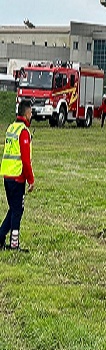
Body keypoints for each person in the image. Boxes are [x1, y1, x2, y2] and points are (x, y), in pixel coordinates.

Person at [0, 101, 35, 251]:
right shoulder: (23, 131)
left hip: (7, 174)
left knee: (14, 209)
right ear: (26, 113)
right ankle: (14, 244)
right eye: (31, 112)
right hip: (17, 176)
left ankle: (0, 238)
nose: (32, 115)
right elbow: (26, 161)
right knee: (17, 210)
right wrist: (31, 180)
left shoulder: (11, 128)